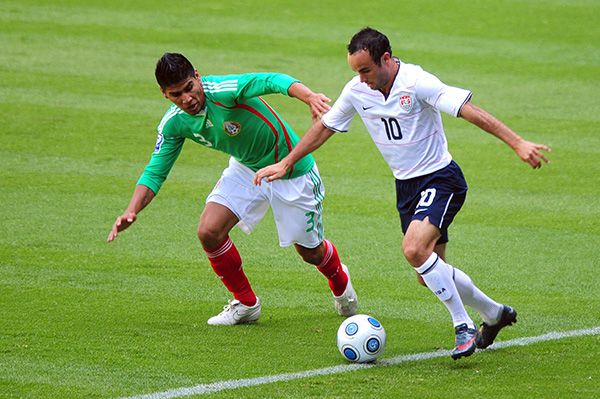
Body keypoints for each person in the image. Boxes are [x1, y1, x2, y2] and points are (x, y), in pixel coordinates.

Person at [254, 28, 551, 359]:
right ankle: (495, 315)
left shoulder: (417, 82)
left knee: (414, 250)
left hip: (441, 178)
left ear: (385, 59)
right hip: (406, 188)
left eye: (365, 69)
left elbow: (469, 110)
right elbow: (325, 126)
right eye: (356, 71)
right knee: (429, 272)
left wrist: (517, 142)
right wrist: (287, 162)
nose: (361, 78)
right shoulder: (357, 90)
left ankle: (463, 325)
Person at [107, 53, 358, 326]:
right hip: (246, 169)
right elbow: (155, 171)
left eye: (190, 87)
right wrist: (132, 211)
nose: (186, 98)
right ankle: (246, 303)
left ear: (198, 76)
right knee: (209, 231)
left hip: (292, 170)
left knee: (310, 253)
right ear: (164, 94)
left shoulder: (225, 91)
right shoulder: (174, 123)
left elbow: (271, 80)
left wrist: (309, 96)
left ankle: (339, 279)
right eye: (176, 94)